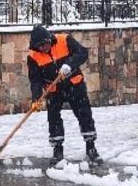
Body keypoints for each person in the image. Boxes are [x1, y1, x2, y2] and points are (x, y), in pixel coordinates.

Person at [27, 25, 100, 165]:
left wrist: (69, 65)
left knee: (84, 114)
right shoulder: (33, 56)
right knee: (53, 119)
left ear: (49, 39)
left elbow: (82, 52)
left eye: (45, 44)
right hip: (54, 90)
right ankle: (57, 150)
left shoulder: (64, 40)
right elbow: (35, 80)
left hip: (74, 84)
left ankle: (91, 147)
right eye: (40, 46)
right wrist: (36, 99)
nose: (44, 48)